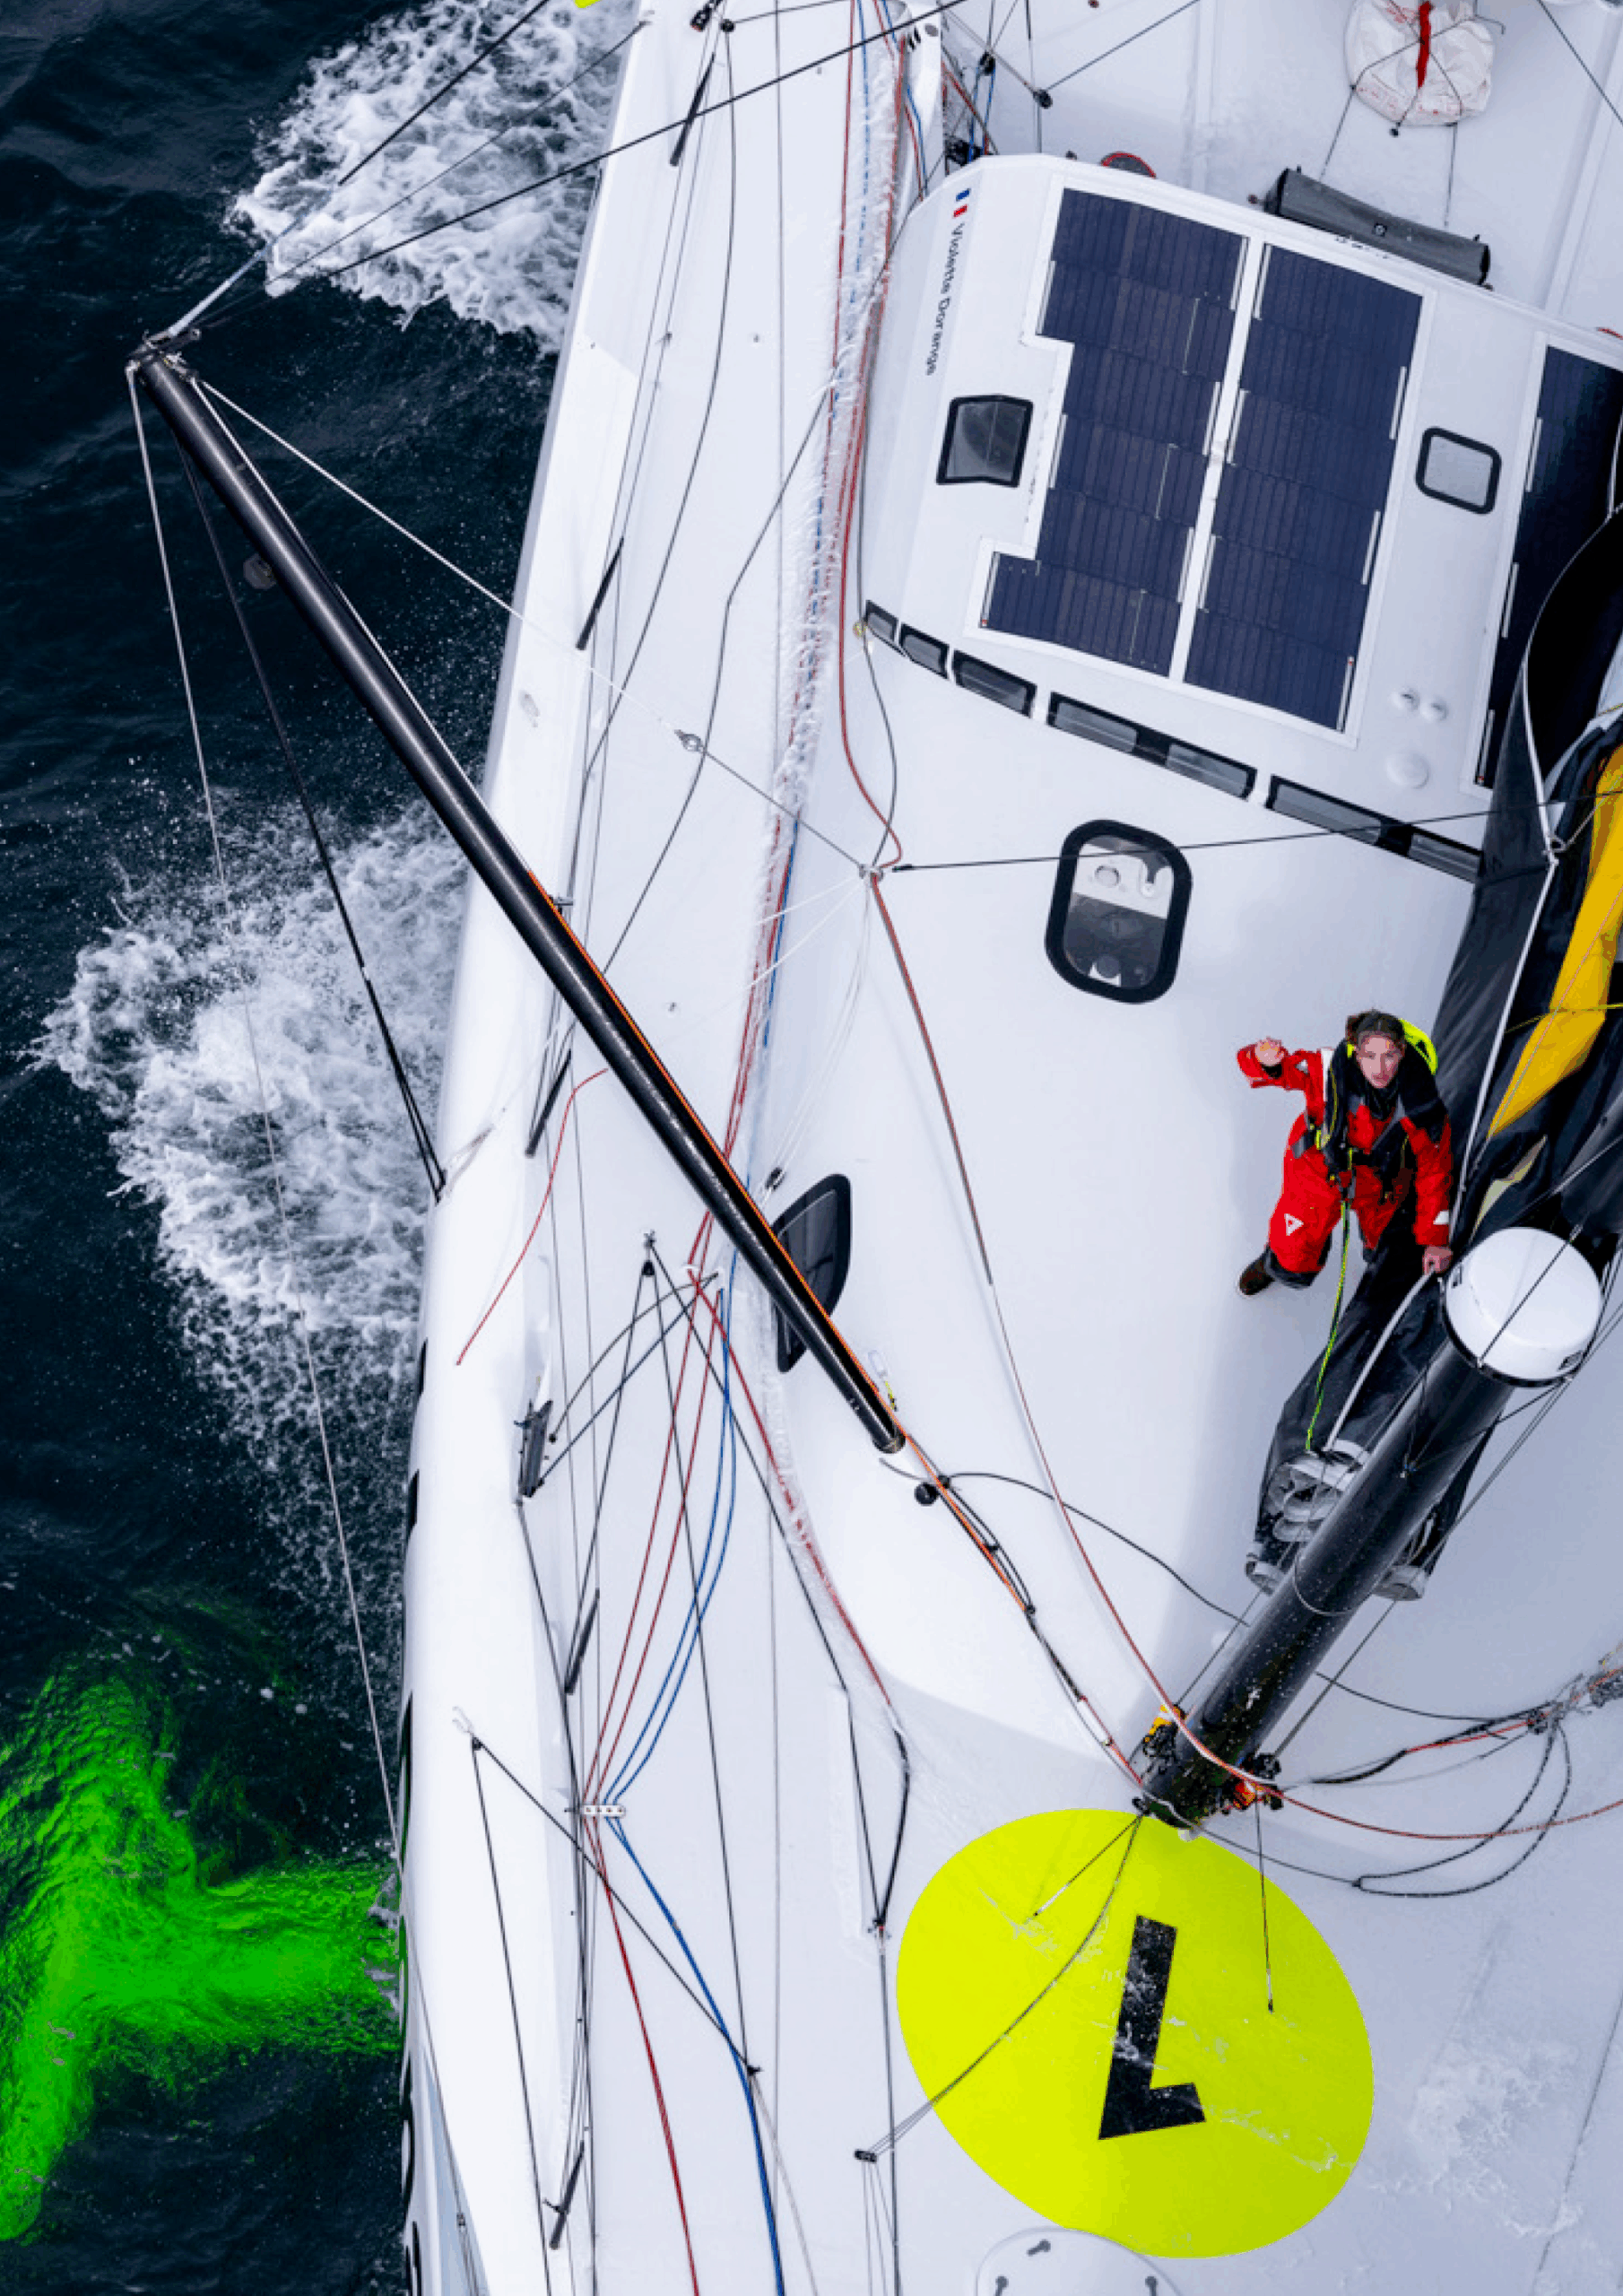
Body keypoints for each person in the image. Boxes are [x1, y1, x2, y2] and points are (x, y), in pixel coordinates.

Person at [1236, 1011, 1454, 1296]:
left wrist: (1435, 1240)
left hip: (1381, 1181)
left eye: (1389, 1056)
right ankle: (1273, 1264)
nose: (1380, 1068)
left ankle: (1376, 1272)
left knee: (1389, 1244)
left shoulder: (1421, 1105)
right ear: (1356, 1052)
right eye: (1370, 1055)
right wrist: (1263, 1060)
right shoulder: (1325, 1069)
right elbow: (1271, 1071)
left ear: (1402, 1054)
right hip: (1318, 1170)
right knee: (1293, 1246)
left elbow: (1434, 1171)